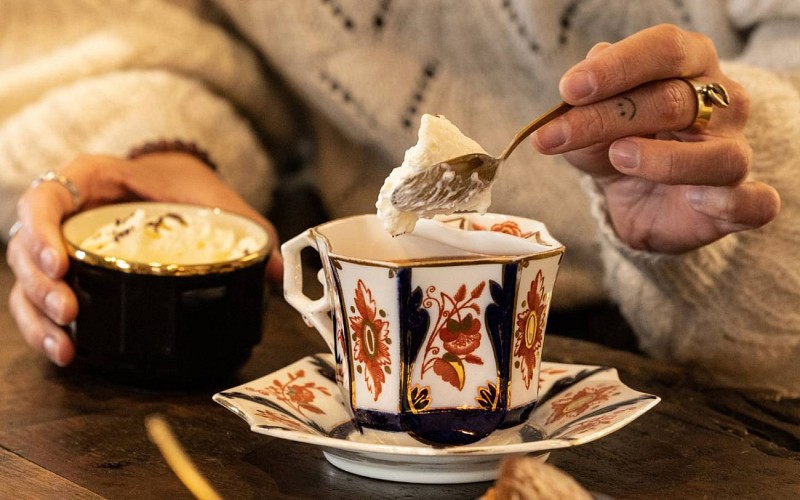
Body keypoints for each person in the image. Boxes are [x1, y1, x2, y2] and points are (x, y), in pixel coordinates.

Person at [2, 0, 798, 395]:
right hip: (348, 324)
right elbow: (158, 27)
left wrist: (730, 159)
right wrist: (164, 142)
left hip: (721, 380)